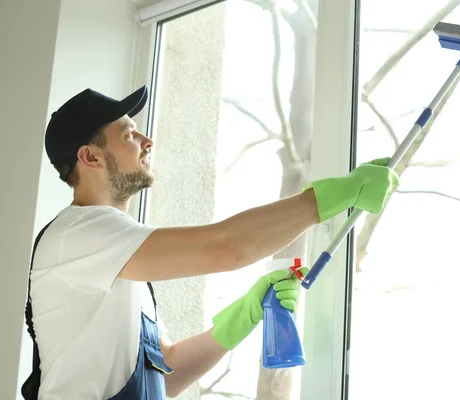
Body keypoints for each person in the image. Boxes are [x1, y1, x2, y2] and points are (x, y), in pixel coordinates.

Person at [21, 85, 399, 400]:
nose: (147, 140)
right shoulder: (80, 235)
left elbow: (167, 373)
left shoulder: (117, 255)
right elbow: (226, 246)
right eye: (128, 133)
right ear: (90, 157)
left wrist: (244, 314)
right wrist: (332, 197)